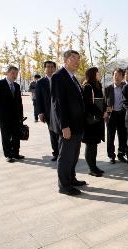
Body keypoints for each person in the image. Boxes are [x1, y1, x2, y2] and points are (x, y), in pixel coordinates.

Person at [50, 50, 86, 196]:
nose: (77, 61)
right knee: (65, 156)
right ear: (65, 60)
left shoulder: (73, 77)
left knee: (74, 155)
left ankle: (71, 178)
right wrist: (64, 125)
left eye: (78, 58)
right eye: (73, 58)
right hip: (67, 126)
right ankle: (64, 186)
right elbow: (58, 104)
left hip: (77, 125)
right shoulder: (58, 76)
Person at [0, 65, 24, 163]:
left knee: (16, 135)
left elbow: (19, 102)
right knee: (6, 136)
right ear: (7, 73)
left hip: (16, 116)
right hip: (4, 117)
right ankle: (8, 155)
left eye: (16, 74)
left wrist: (21, 115)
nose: (15, 75)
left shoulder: (16, 86)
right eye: (13, 73)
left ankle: (16, 153)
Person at [36, 61, 59, 161]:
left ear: (54, 68)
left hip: (60, 111)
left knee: (61, 132)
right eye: (47, 67)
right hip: (48, 112)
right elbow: (38, 99)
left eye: (51, 67)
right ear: (44, 69)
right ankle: (56, 153)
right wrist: (40, 113)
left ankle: (63, 151)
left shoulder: (60, 80)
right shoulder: (40, 82)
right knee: (53, 133)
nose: (49, 69)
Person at [104, 68, 127, 164]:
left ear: (122, 77)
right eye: (115, 75)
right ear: (113, 76)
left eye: (119, 75)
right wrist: (106, 109)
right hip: (111, 116)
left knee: (123, 136)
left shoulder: (126, 87)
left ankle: (121, 154)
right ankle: (111, 156)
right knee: (110, 137)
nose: (116, 77)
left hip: (122, 114)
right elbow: (104, 103)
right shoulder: (108, 89)